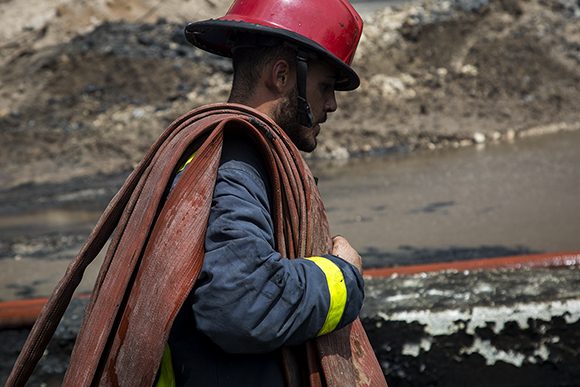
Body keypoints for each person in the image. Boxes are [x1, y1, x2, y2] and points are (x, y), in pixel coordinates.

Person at [161, 0, 368, 386]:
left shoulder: (209, 155)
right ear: (282, 75)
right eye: (325, 86)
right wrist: (344, 276)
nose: (332, 105)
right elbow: (242, 307)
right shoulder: (236, 164)